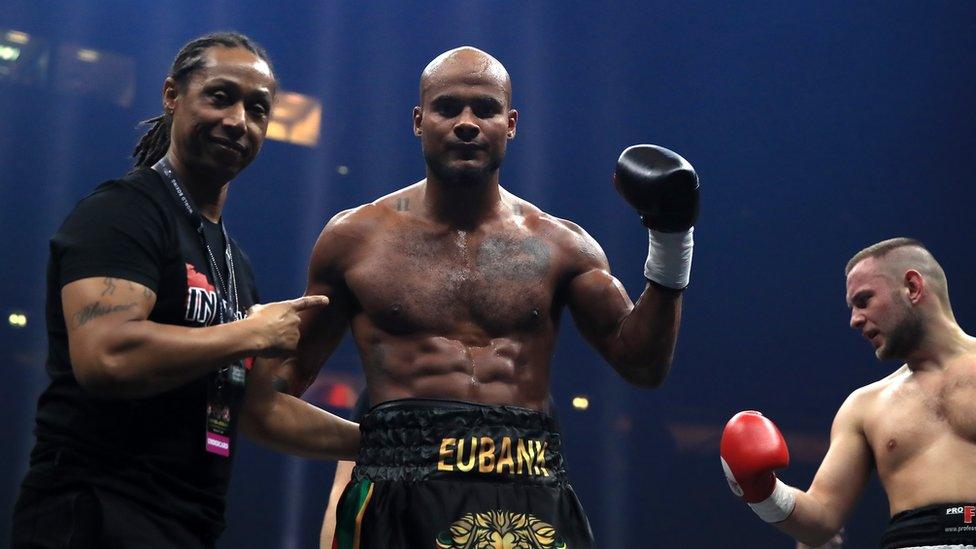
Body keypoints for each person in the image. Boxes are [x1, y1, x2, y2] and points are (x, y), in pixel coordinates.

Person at [278, 46, 699, 548]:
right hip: (399, 493)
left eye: (485, 109)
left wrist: (671, 239)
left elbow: (643, 366)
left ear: (511, 122)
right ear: (418, 120)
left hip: (530, 493)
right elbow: (285, 380)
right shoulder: (354, 239)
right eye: (447, 107)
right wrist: (371, 442)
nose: (466, 123)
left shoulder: (561, 245)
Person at [11, 32, 359, 549]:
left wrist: (383, 445)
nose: (238, 120)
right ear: (173, 95)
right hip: (94, 511)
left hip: (186, 522)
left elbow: (262, 412)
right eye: (220, 96)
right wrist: (247, 333)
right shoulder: (122, 213)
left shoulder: (230, 260)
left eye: (257, 109)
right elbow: (105, 356)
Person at [720, 238, 976, 548]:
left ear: (912, 287)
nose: (854, 320)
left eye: (864, 300)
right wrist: (764, 492)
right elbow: (821, 520)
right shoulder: (864, 406)